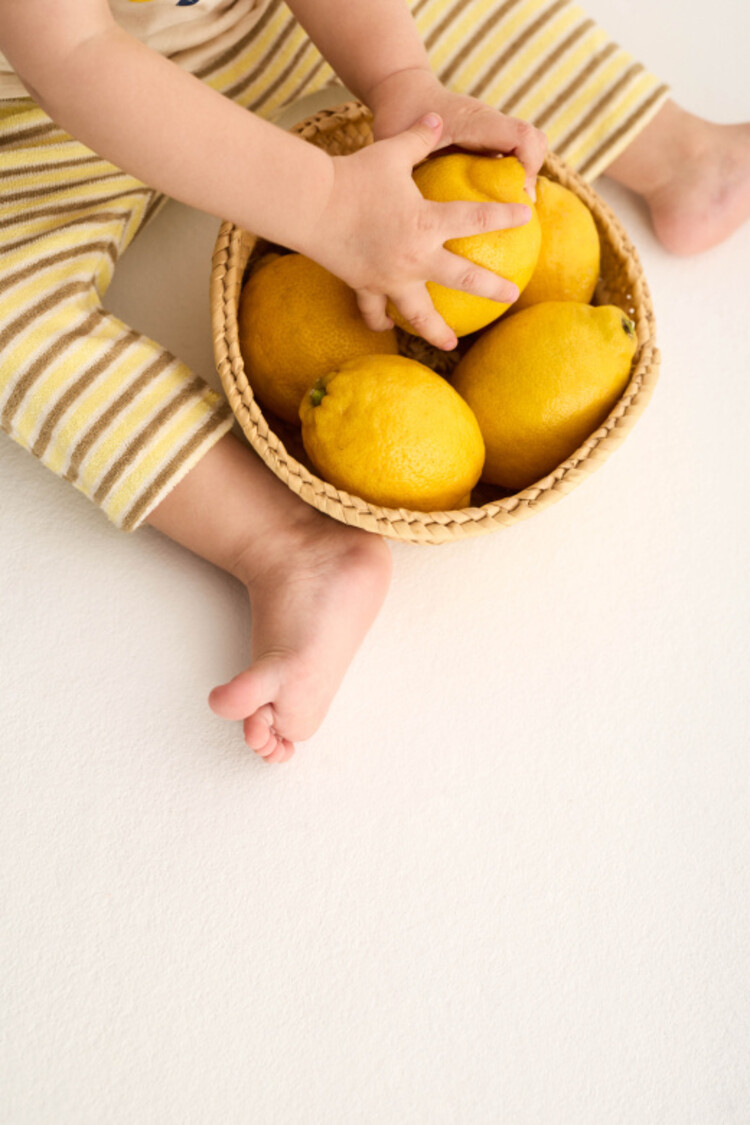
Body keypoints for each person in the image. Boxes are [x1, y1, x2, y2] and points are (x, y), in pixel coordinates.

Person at [1, 0, 748, 764]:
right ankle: (286, 546)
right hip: (46, 104)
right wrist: (326, 205)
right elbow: (76, 52)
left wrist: (400, 80)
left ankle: (688, 159)